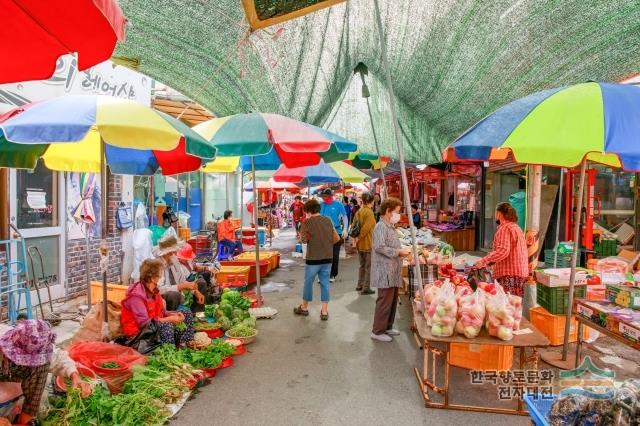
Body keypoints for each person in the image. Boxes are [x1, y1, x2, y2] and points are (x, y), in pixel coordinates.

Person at [0, 320, 92, 424]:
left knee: (41, 368)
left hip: (16, 391)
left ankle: (23, 416)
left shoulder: (37, 345)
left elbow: (59, 358)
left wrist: (75, 377)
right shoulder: (9, 339)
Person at [121, 258, 195, 346]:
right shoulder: (136, 296)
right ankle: (168, 354)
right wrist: (169, 319)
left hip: (154, 326)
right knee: (166, 326)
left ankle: (184, 345)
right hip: (138, 335)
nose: (162, 278)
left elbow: (162, 312)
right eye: (161, 275)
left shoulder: (154, 291)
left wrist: (173, 314)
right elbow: (145, 324)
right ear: (153, 278)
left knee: (186, 312)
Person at [370, 197, 411, 342]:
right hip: (384, 270)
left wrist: (401, 251)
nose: (398, 215)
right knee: (384, 301)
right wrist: (398, 252)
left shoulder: (390, 226)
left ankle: (387, 326)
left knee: (392, 300)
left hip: (392, 269)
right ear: (388, 211)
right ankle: (377, 330)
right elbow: (379, 247)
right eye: (397, 212)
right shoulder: (381, 227)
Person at [294, 199, 339, 320]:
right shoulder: (328, 220)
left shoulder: (306, 223)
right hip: (327, 258)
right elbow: (336, 238)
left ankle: (304, 308)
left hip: (313, 259)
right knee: (325, 283)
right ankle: (324, 311)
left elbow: (303, 240)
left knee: (308, 282)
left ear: (308, 211)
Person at [474, 202, 528, 296]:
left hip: (509, 275)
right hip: (520, 274)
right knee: (515, 306)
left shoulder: (504, 228)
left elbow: (503, 251)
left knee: (507, 306)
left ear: (498, 214)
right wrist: (490, 263)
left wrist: (483, 261)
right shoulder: (516, 227)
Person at [155, 235, 205, 311]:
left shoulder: (173, 260)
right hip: (161, 299)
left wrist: (195, 291)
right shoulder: (156, 265)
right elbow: (158, 290)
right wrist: (179, 287)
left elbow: (181, 280)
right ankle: (171, 319)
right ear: (168, 252)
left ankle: (196, 314)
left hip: (178, 294)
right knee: (173, 295)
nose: (175, 253)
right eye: (173, 251)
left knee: (198, 284)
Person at [319, 188, 348, 282]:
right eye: (322, 197)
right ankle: (323, 275)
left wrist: (345, 229)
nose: (324, 198)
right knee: (323, 255)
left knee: (334, 255)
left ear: (330, 196)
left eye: (325, 197)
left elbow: (344, 216)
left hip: (336, 232)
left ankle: (332, 274)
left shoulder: (338, 204)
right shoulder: (321, 205)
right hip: (323, 233)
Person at [352, 193, 376, 295]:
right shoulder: (369, 212)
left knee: (362, 265)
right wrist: (359, 238)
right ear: (371, 201)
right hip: (367, 243)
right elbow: (366, 229)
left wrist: (356, 239)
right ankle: (366, 287)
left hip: (360, 244)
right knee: (368, 267)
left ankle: (359, 285)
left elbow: (353, 225)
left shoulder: (359, 211)